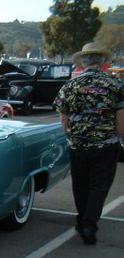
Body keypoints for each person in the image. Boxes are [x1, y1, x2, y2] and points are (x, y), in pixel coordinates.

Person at [53, 42, 124, 245]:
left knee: (80, 183)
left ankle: (81, 218)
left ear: (83, 63)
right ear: (102, 63)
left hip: (78, 144)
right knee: (99, 185)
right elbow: (121, 118)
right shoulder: (115, 85)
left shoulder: (70, 85)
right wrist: (119, 139)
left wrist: (71, 136)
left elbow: (63, 117)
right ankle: (89, 224)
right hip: (105, 144)